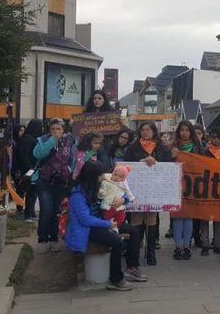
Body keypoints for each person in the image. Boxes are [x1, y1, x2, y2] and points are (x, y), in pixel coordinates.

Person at [65, 161, 146, 290]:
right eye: (100, 175)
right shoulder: (78, 194)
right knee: (116, 241)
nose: (103, 177)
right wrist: (107, 224)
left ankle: (131, 268)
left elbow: (121, 189)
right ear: (91, 176)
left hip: (103, 221)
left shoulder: (95, 185)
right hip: (88, 229)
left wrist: (122, 199)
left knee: (133, 231)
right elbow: (85, 219)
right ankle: (115, 279)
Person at [123, 121, 172, 266]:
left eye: (147, 130)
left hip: (153, 191)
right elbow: (126, 165)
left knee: (151, 222)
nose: (145, 132)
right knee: (136, 222)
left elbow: (167, 164)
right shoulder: (133, 147)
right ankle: (135, 252)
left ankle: (151, 253)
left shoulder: (161, 147)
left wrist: (156, 162)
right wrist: (141, 161)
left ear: (153, 132)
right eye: (142, 130)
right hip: (137, 191)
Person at [32, 118, 75, 254]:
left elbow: (73, 159)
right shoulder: (43, 140)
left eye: (59, 129)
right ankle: (42, 239)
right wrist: (52, 141)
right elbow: (38, 154)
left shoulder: (70, 142)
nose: (56, 131)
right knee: (46, 211)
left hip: (61, 182)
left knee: (57, 211)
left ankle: (54, 238)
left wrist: (70, 171)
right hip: (45, 181)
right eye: (53, 129)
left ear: (63, 130)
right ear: (49, 130)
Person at [169, 121, 203, 246]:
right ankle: (178, 246)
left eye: (187, 130)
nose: (184, 133)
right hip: (176, 186)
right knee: (177, 215)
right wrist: (172, 157)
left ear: (191, 132)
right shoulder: (172, 147)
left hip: (191, 185)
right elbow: (166, 166)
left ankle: (187, 245)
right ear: (178, 132)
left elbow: (203, 164)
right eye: (182, 130)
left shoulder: (197, 147)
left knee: (189, 216)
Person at [200, 127, 220, 256]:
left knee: (219, 217)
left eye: (219, 138)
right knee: (205, 217)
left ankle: (217, 244)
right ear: (210, 139)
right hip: (207, 188)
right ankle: (205, 245)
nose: (216, 140)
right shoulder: (204, 152)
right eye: (214, 137)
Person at [15, 119, 43, 222]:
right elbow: (24, 156)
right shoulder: (28, 139)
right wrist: (30, 169)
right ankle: (28, 215)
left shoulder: (28, 138)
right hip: (28, 169)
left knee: (32, 192)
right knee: (30, 192)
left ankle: (30, 213)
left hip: (30, 169)